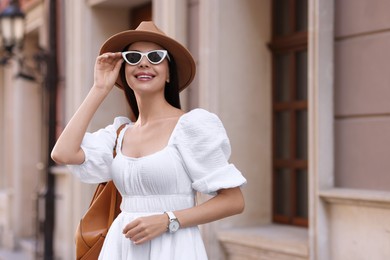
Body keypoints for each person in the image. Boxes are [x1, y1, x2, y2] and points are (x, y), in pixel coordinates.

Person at [51, 21, 247, 260]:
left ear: (168, 74)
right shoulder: (119, 133)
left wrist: (168, 220)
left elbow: (233, 200)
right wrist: (100, 88)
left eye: (156, 56)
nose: (144, 62)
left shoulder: (191, 127)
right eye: (133, 57)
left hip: (174, 247)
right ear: (123, 72)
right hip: (121, 247)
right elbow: (63, 153)